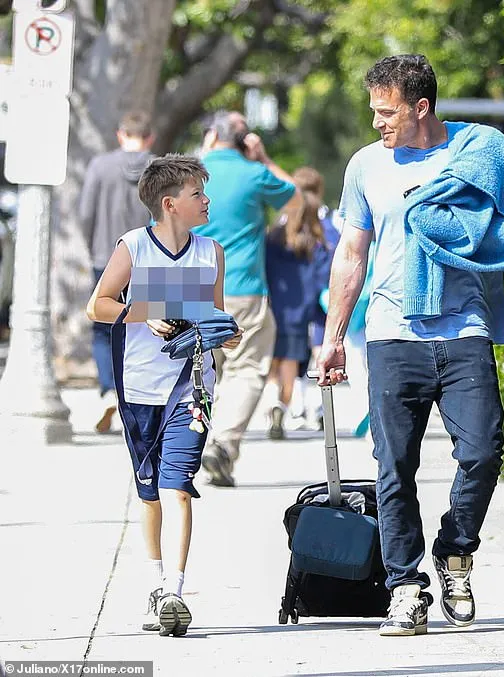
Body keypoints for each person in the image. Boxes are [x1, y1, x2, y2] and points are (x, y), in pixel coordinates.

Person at [317, 54, 504, 637]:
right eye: (374, 111)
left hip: (464, 328)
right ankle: (405, 587)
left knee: (482, 451)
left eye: (387, 113)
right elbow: (352, 254)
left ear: (420, 107)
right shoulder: (365, 166)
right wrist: (333, 339)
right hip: (390, 332)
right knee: (393, 466)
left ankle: (455, 550)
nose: (377, 123)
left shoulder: (477, 155)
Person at [86, 154, 242, 637]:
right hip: (138, 386)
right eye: (198, 194)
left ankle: (176, 592)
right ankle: (155, 587)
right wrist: (146, 312)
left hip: (191, 386)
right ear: (170, 204)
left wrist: (223, 335)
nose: (206, 200)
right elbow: (98, 305)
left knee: (178, 485)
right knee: (149, 492)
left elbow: (212, 316)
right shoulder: (133, 247)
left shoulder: (211, 251)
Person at [193, 110, 300, 486]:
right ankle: (222, 444)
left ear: (210, 136)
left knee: (190, 370)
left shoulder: (185, 171)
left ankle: (180, 450)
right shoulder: (255, 175)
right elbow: (296, 199)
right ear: (245, 141)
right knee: (245, 369)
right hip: (241, 287)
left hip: (184, 285)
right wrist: (264, 159)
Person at [80, 111, 155, 433]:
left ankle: (109, 388)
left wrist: (91, 244)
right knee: (149, 323)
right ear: (149, 137)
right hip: (151, 256)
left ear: (120, 134)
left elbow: (85, 213)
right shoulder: (159, 167)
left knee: (102, 325)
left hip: (106, 255)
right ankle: (138, 394)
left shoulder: (100, 165)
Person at [264, 190, 329, 439]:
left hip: (273, 311)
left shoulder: (272, 240)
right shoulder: (315, 245)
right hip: (300, 316)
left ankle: (271, 403)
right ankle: (283, 404)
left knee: (272, 367)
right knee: (290, 367)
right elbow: (322, 280)